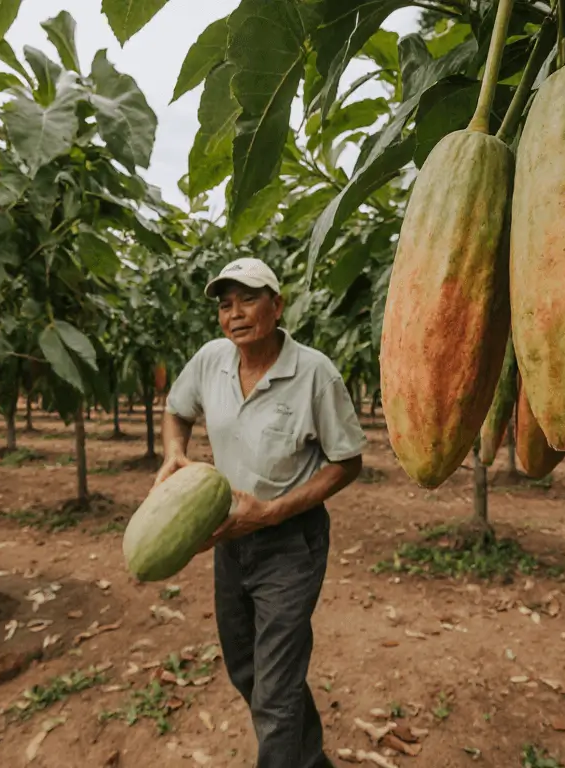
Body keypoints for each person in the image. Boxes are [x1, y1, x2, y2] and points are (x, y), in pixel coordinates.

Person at [155, 257, 366, 768]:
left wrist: (271, 512)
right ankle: (311, 761)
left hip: (291, 546)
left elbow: (347, 462)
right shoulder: (211, 360)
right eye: (226, 305)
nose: (236, 314)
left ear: (277, 304)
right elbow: (176, 410)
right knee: (248, 671)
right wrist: (174, 453)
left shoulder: (314, 372)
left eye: (248, 299)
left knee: (274, 696)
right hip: (229, 541)